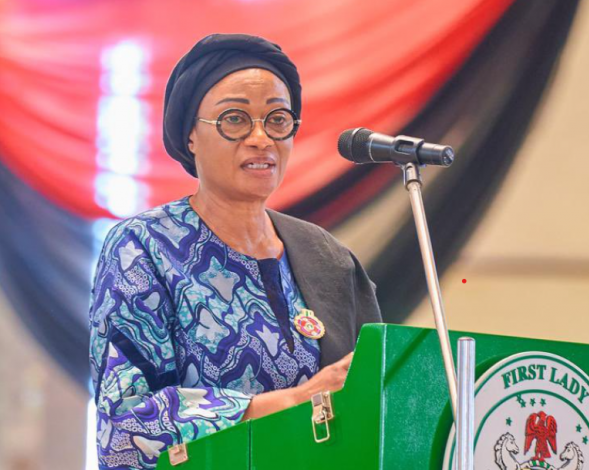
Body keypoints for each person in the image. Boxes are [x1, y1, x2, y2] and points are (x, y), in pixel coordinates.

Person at [88, 34, 382, 470]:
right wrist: (296, 401)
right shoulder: (143, 248)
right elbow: (124, 427)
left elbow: (374, 399)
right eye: (234, 119)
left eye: (278, 120)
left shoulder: (327, 256)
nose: (261, 138)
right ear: (190, 134)